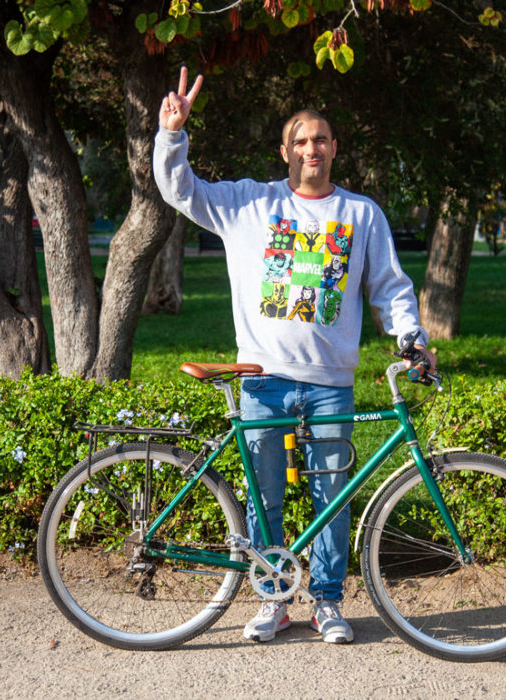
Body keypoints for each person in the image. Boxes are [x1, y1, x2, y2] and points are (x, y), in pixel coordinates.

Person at [153, 68, 435, 646]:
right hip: (262, 378)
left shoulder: (361, 215)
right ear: (284, 151)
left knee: (331, 498)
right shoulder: (247, 205)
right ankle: (272, 598)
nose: (312, 148)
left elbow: (390, 287)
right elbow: (179, 190)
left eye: (322, 139)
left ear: (334, 149)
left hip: (330, 381)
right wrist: (172, 134)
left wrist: (412, 338)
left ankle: (327, 603)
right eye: (301, 140)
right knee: (267, 495)